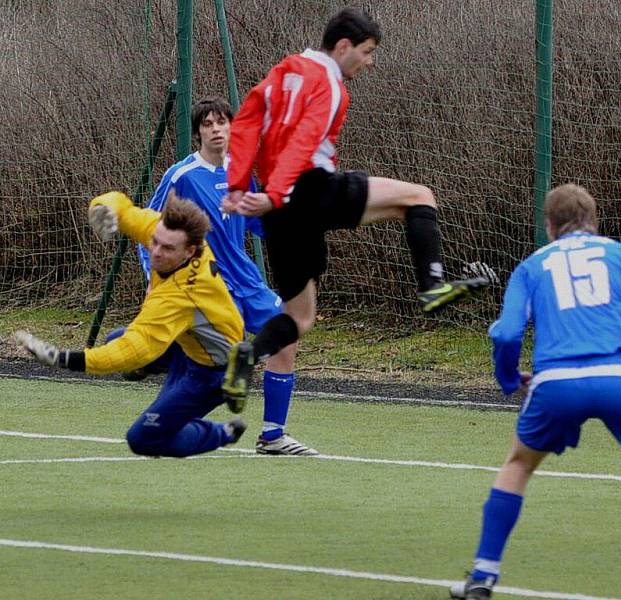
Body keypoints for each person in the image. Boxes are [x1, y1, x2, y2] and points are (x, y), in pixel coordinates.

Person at [450, 184, 621, 600]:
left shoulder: (531, 265)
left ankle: (483, 576)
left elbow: (508, 332)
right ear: (595, 221)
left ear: (549, 226)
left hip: (556, 384)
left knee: (518, 464)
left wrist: (509, 380)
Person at [221, 7, 489, 383]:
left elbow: (247, 121)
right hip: (309, 189)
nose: (370, 61)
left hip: (278, 209)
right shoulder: (330, 85)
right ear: (343, 46)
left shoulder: (284, 71)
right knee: (419, 197)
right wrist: (278, 192)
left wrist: (239, 186)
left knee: (299, 317)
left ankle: (248, 354)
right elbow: (304, 141)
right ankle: (433, 286)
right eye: (366, 51)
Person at [132, 97, 317, 456]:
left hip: (246, 281)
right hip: (208, 286)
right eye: (208, 124)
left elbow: (256, 222)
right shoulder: (182, 176)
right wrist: (153, 279)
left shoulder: (241, 171)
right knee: (215, 371)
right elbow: (148, 229)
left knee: (288, 332)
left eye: (222, 123)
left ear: (232, 127)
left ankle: (273, 435)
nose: (216, 130)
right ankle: (165, 425)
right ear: (198, 132)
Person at [15, 192, 254, 458]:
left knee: (143, 439)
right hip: (188, 344)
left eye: (167, 249)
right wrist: (103, 208)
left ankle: (224, 432)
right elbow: (126, 209)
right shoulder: (166, 234)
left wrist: (67, 359)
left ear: (190, 251)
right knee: (114, 339)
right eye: (155, 243)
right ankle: (166, 386)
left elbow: (136, 348)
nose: (156, 252)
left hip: (213, 372)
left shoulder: (180, 295)